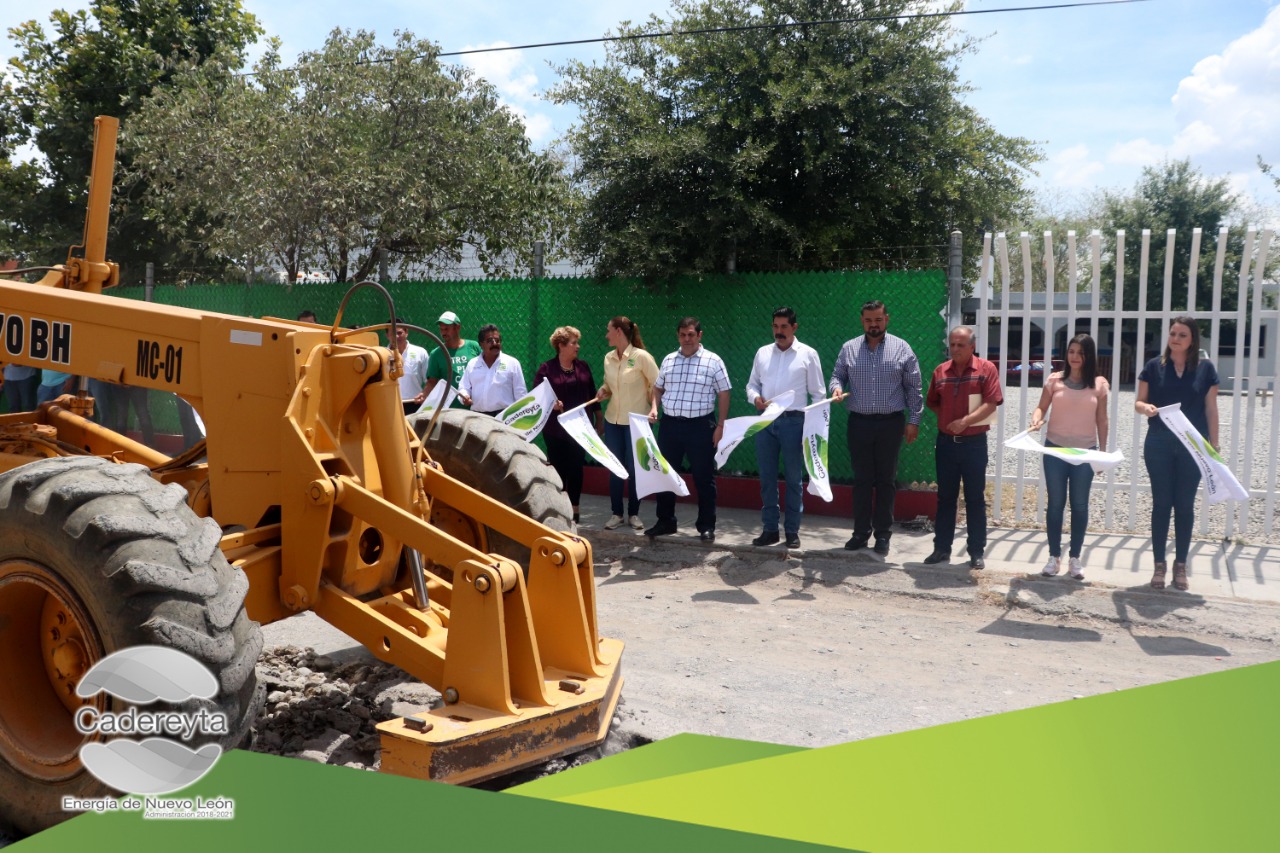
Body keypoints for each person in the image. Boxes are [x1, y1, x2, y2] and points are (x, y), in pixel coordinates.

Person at [828, 300, 924, 556]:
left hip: (890, 424)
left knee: (886, 480)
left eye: (878, 320)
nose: (874, 325)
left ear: (886, 319)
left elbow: (914, 388)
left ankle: (883, 534)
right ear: (862, 321)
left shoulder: (902, 348)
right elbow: (837, 375)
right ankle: (860, 533)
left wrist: (914, 420)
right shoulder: (849, 348)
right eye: (869, 320)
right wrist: (836, 388)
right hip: (859, 423)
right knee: (861, 480)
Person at [1135, 316, 1219, 592]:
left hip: (1192, 446)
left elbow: (1211, 409)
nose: (1175, 339)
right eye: (1173, 333)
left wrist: (1215, 445)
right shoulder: (1153, 366)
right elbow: (1139, 402)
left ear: (1192, 339)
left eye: (1182, 335)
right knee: (1161, 504)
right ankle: (1159, 564)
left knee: (1184, 505)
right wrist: (1146, 408)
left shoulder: (1206, 369)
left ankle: (1180, 564)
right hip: (1159, 442)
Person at [1028, 333, 1109, 580]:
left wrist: (1102, 453)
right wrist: (1036, 418)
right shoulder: (1054, 380)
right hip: (1055, 450)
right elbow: (1041, 407)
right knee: (1055, 503)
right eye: (1071, 351)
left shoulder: (1099, 384)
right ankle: (1054, 557)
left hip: (1085, 452)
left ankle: (1075, 558)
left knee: (1080, 504)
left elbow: (1102, 419)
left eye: (1081, 353)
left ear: (1089, 356)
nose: (1075, 357)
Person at [924, 326, 1003, 570]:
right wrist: (947, 419)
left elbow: (991, 403)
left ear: (972, 346)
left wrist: (964, 422)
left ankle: (976, 551)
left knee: (975, 499)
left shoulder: (986, 369)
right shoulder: (941, 371)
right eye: (952, 344)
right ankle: (941, 548)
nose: (955, 349)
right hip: (947, 444)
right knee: (946, 497)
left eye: (960, 345)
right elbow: (932, 401)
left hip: (974, 444)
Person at [646, 317, 731, 543]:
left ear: (699, 335)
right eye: (683, 335)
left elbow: (724, 393)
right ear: (678, 336)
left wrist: (721, 425)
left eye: (691, 334)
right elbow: (658, 388)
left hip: (701, 427)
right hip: (670, 425)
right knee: (665, 474)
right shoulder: (669, 360)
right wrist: (654, 408)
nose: (687, 339)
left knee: (703, 477)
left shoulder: (713, 361)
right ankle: (666, 521)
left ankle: (706, 526)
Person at [746, 307, 825, 550]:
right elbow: (751, 385)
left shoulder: (808, 354)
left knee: (793, 479)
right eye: (775, 326)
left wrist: (812, 427)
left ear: (794, 327)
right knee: (767, 478)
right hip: (765, 420)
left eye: (784, 327)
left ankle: (792, 531)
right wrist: (755, 398)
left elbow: (818, 394)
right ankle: (770, 530)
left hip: (794, 422)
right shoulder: (762, 353)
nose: (778, 331)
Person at [534, 326, 601, 530]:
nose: (577, 346)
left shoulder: (583, 367)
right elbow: (537, 396)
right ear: (561, 345)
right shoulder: (546, 369)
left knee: (576, 467)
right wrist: (552, 404)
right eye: (573, 343)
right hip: (555, 429)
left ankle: (575, 508)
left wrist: (599, 419)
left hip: (580, 427)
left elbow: (592, 394)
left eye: (577, 342)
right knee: (558, 468)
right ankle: (559, 508)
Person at [597, 316, 658, 531]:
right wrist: (603, 390)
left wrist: (654, 407)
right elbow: (609, 385)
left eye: (609, 331)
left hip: (637, 423)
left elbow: (657, 385)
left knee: (634, 468)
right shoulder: (608, 358)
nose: (606, 335)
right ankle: (616, 514)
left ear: (619, 332)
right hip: (612, 420)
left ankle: (634, 514)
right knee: (615, 467)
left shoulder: (642, 357)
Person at [458, 324, 526, 416]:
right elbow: (464, 387)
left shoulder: (512, 363)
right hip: (477, 417)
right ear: (481, 344)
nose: (494, 343)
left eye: (497, 340)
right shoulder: (472, 364)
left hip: (504, 417)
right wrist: (464, 397)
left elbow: (520, 394)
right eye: (490, 341)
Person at [425, 310, 480, 407]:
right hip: (450, 408)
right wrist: (424, 394)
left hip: (476, 406)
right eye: (441, 329)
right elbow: (432, 382)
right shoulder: (436, 354)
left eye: (446, 329)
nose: (443, 332)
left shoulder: (474, 347)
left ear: (457, 327)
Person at [386, 317, 429, 416]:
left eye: (400, 333)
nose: (396, 337)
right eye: (393, 334)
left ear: (406, 332)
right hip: (390, 405)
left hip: (414, 404)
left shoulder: (420, 352)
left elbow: (429, 380)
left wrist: (424, 394)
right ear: (387, 335)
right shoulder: (381, 355)